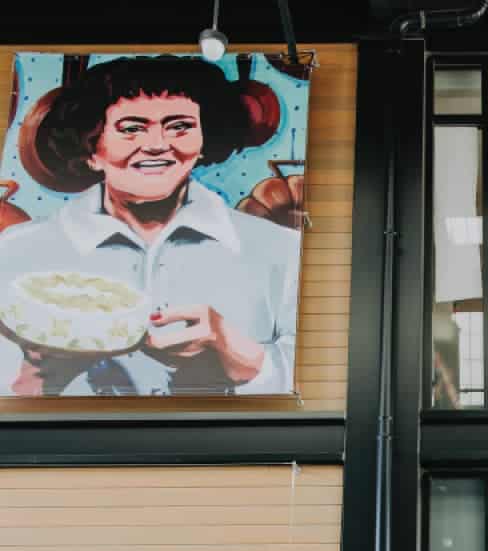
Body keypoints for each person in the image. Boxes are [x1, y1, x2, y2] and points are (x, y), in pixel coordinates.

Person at [0, 55, 299, 396]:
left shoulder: (280, 250)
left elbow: (317, 385)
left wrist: (233, 350)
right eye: (131, 129)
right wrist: (36, 373)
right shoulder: (19, 249)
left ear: (205, 141)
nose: (157, 145)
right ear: (91, 150)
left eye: (179, 126)